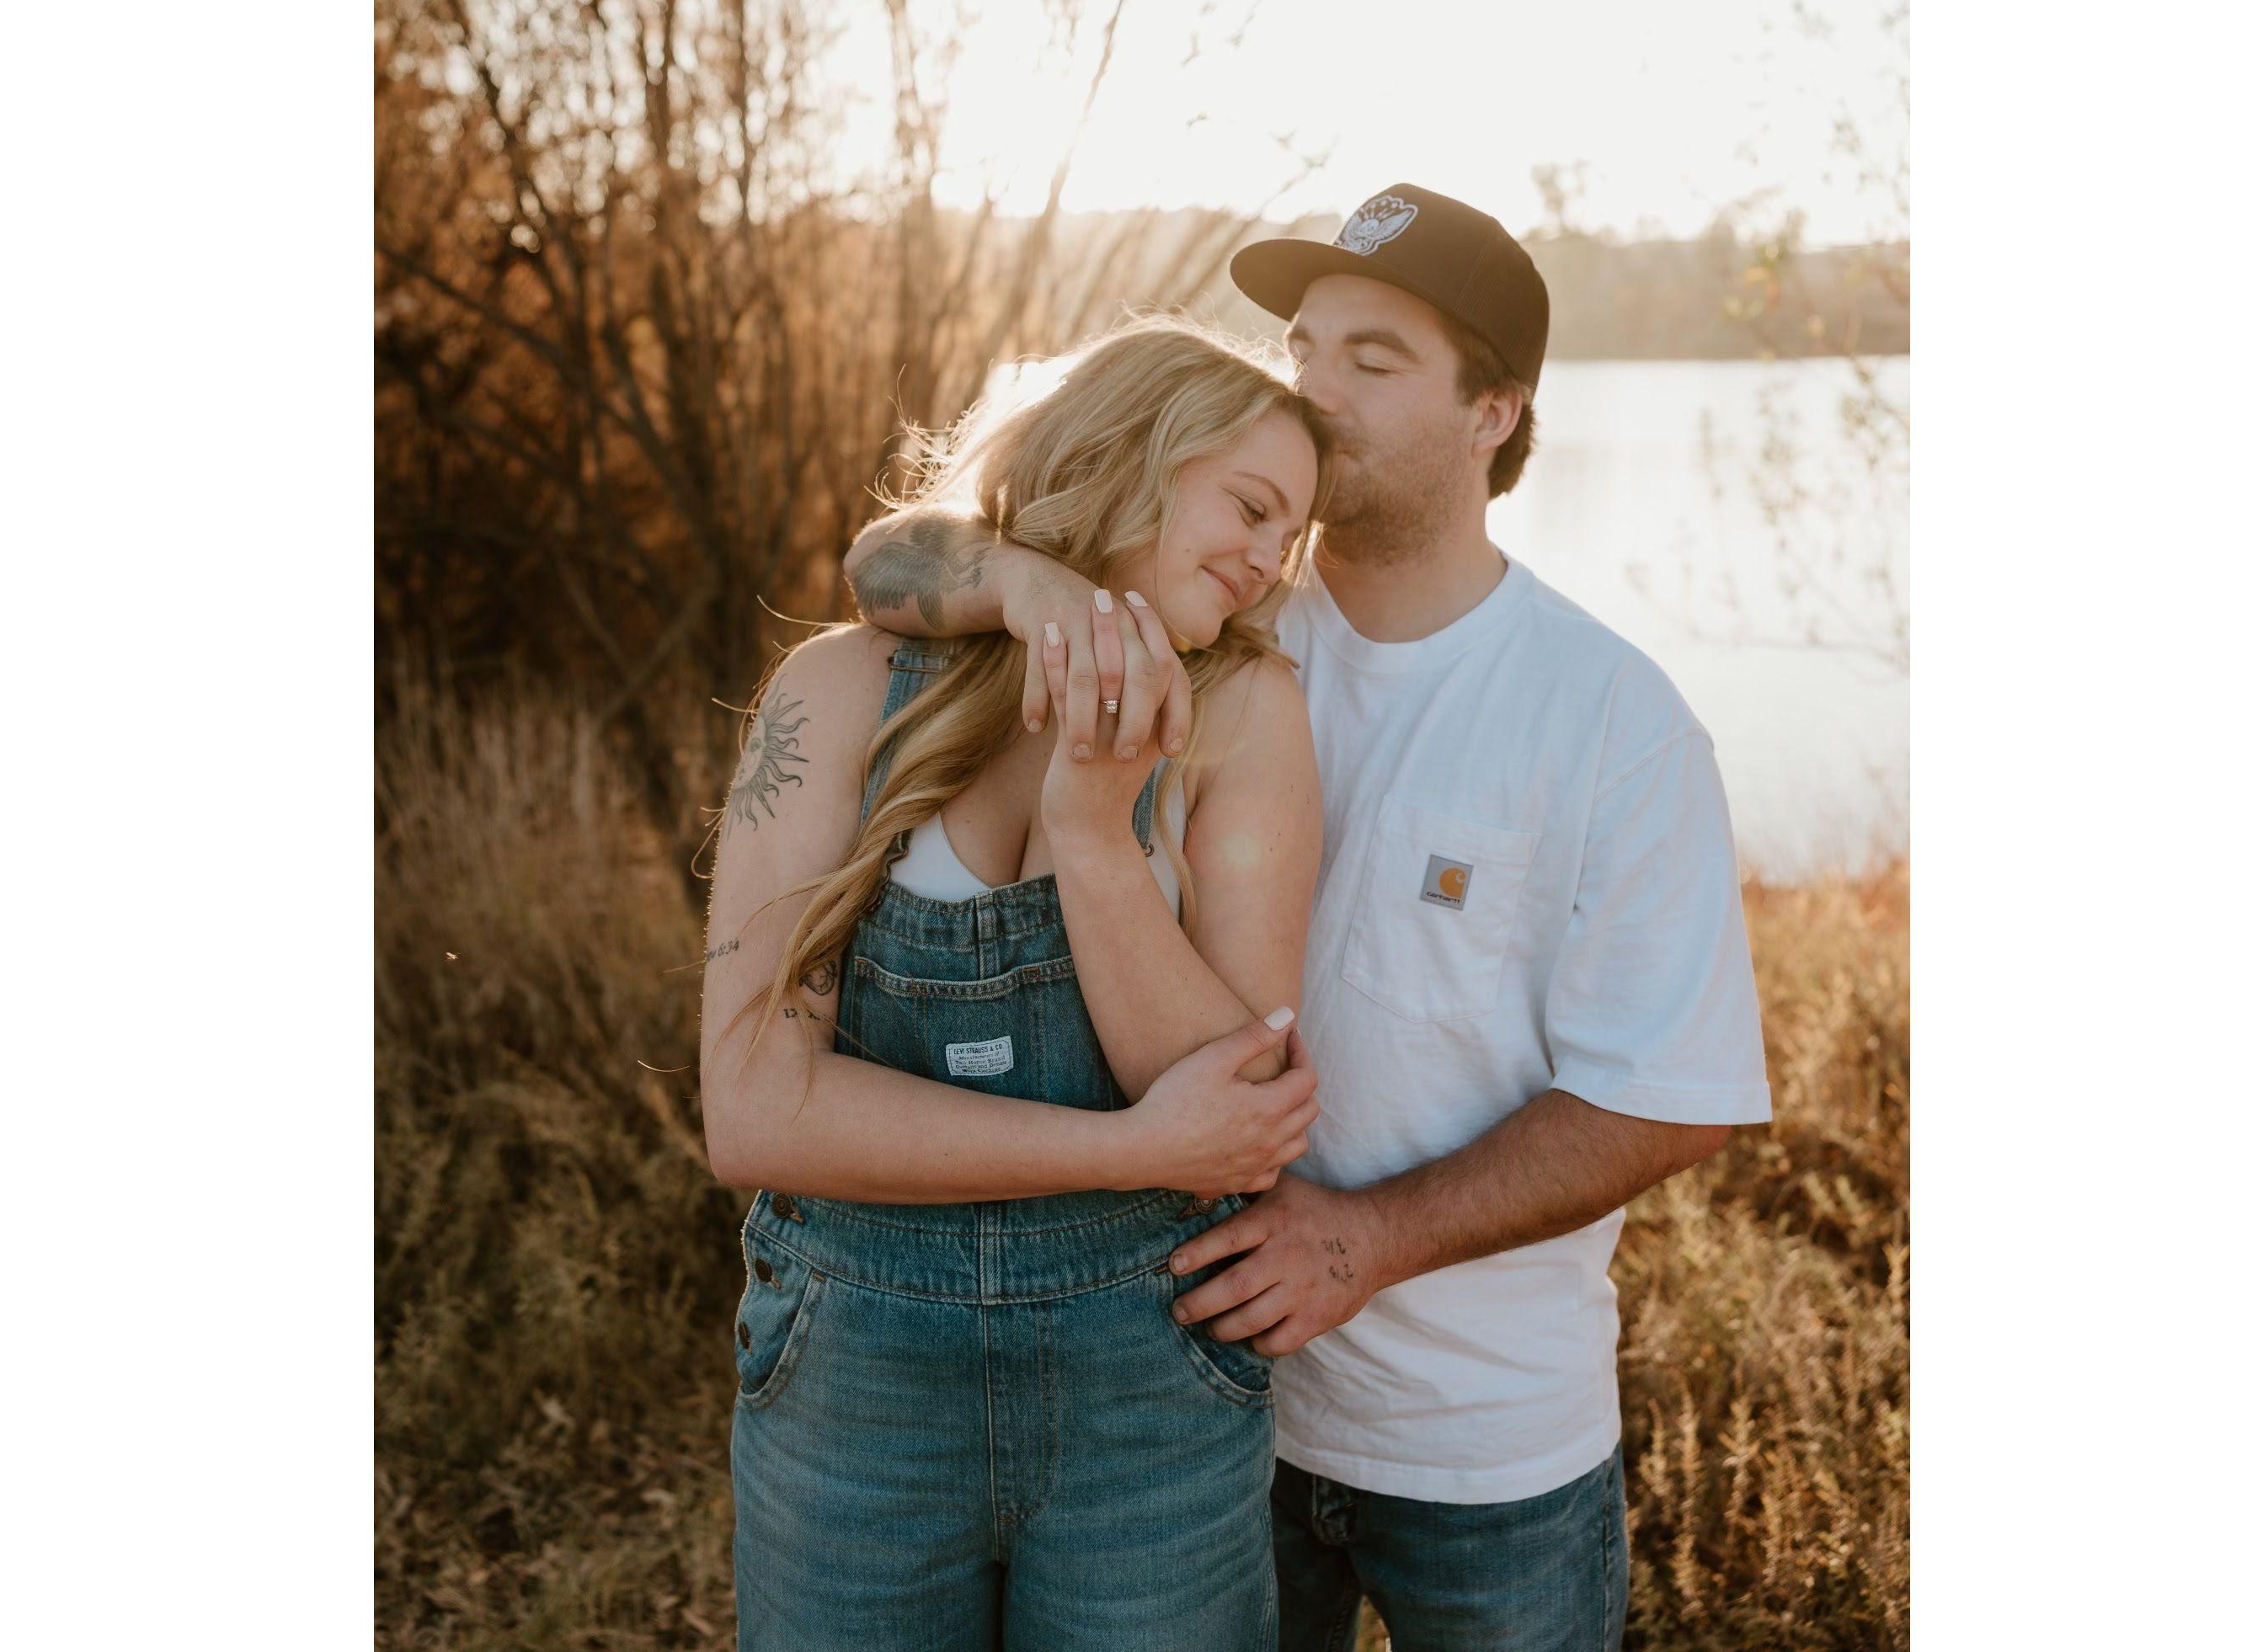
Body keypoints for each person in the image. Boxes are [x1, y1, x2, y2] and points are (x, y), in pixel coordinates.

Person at [845, 183, 1774, 1652]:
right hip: (1197, 1405)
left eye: (1373, 358)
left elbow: (1671, 1097)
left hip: (1483, 1447)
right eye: (1303, 345)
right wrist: (1019, 576)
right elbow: (884, 567)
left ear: (1493, 414)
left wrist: (1365, 1244)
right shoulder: (1213, 613)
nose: (1312, 387)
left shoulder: (1611, 719)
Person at [701, 316, 1341, 1652]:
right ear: (1132, 453)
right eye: (1250, 507)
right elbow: (755, 1112)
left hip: (1149, 1374)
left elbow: (1229, 1106)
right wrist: (1127, 1150)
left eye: (1291, 536)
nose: (1268, 562)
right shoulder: (843, 688)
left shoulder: (1243, 712)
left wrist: (1099, 838)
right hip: (855, 1374)